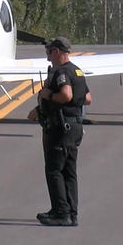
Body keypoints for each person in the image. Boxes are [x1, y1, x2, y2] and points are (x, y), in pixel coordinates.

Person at [27, 37, 91, 226]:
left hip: (60, 128)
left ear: (57, 52)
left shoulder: (61, 72)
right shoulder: (76, 71)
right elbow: (87, 98)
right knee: (69, 171)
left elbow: (66, 94)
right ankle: (71, 212)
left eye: (49, 51)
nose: (47, 54)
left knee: (55, 170)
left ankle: (61, 213)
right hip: (75, 125)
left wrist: (50, 95)